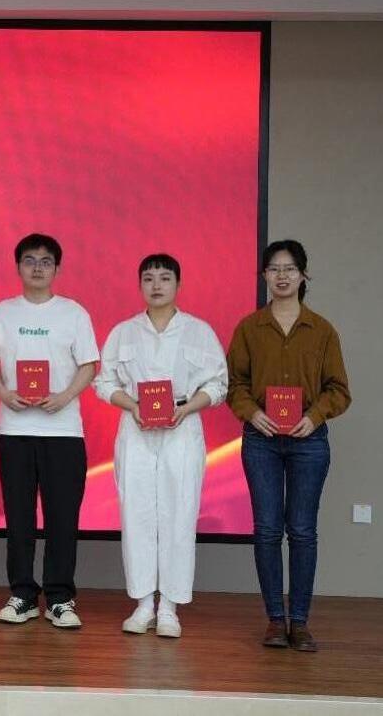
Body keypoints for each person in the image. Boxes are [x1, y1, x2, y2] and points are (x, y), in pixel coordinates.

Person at [93, 253, 227, 638]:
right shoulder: (123, 332)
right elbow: (104, 382)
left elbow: (218, 384)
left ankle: (169, 607)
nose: (156, 285)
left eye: (165, 278)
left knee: (179, 512)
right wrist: (132, 405)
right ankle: (142, 604)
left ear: (178, 285)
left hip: (182, 426)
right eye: (149, 278)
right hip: (136, 427)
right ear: (140, 285)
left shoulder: (199, 332)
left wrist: (187, 409)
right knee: (136, 513)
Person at [227, 240, 351, 652]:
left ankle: (300, 621)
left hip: (308, 441)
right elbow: (235, 385)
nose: (282, 276)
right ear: (264, 275)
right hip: (260, 441)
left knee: (302, 531)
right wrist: (251, 413)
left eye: (290, 268)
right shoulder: (249, 328)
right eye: (274, 269)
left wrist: (313, 416)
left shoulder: (323, 330)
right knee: (266, 531)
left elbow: (339, 389)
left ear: (303, 275)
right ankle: (274, 621)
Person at [0, 233, 99, 629]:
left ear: (57, 269)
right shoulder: (2, 313)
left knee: (62, 519)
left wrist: (65, 396)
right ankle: (22, 594)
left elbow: (89, 365)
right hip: (14, 429)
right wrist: (4, 393)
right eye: (30, 261)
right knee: (19, 518)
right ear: (18, 267)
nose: (37, 268)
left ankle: (60, 598)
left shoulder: (73, 313)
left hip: (63, 432)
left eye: (45, 261)